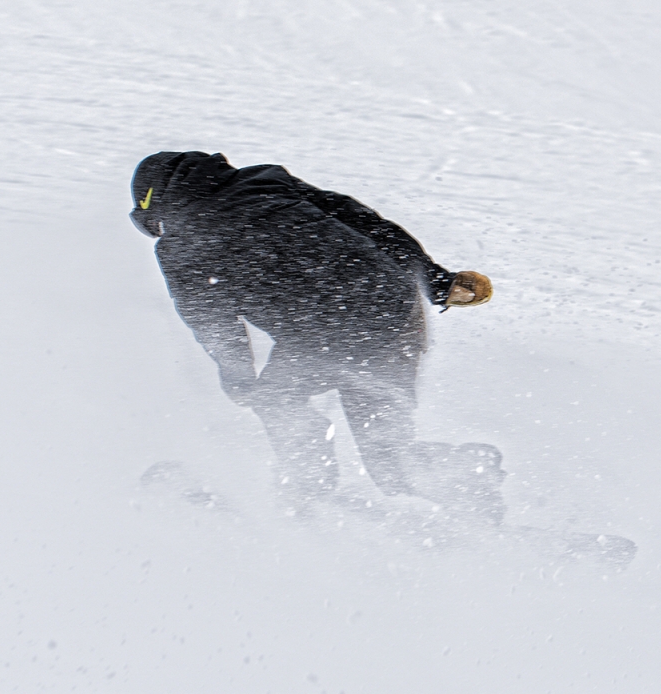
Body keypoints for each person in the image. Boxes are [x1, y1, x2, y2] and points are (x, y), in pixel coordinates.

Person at [130, 151, 505, 521]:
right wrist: (437, 282)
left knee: (276, 401)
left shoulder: (180, 245)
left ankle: (307, 499)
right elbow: (370, 225)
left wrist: (238, 377)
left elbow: (211, 320)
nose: (158, 231)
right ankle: (465, 474)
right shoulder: (266, 181)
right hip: (394, 313)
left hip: (323, 333)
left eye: (152, 223)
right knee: (385, 450)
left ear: (156, 201)